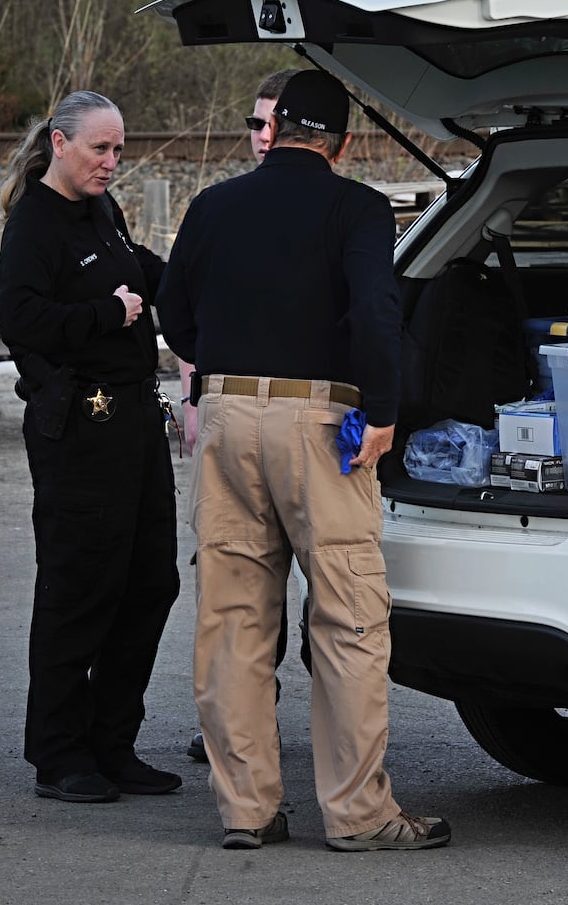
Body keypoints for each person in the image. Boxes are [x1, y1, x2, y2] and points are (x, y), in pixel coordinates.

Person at [156, 70, 450, 851]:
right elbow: (374, 310)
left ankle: (245, 811)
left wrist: (225, 378)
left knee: (233, 619)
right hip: (324, 421)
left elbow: (174, 315)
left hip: (223, 414)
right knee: (348, 617)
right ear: (341, 144)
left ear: (276, 128)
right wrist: (382, 412)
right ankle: (359, 815)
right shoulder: (356, 207)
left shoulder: (214, 205)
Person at [0, 90, 182, 804]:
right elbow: (20, 316)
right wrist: (106, 313)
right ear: (60, 143)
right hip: (80, 427)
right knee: (81, 589)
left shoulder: (102, 208)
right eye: (101, 149)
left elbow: (136, 266)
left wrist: (192, 283)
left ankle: (113, 743)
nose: (112, 162)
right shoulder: (35, 224)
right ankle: (60, 753)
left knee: (149, 583)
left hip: (135, 419)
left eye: (119, 151)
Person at [179, 67, 301, 765]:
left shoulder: (330, 209)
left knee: (315, 587)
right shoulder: (219, 208)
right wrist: (205, 375)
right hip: (226, 417)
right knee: (233, 584)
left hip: (309, 424)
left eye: (272, 124)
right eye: (254, 125)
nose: (261, 138)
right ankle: (240, 722)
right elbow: (181, 306)